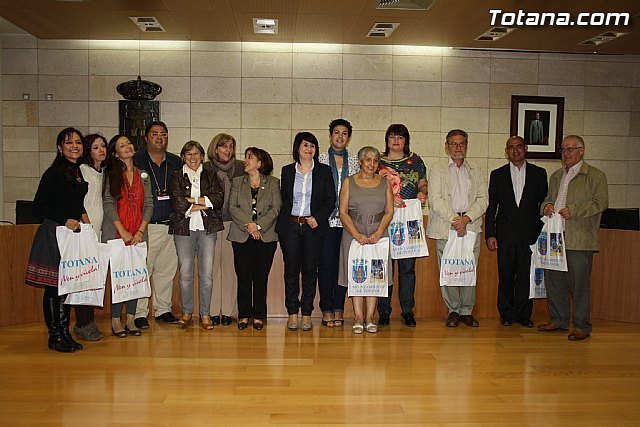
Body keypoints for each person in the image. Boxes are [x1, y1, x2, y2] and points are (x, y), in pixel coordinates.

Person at [25, 127, 89, 353]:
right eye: (69, 142)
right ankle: (55, 337)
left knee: (68, 286)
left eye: (78, 142)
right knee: (54, 288)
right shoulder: (54, 172)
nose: (75, 146)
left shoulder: (77, 171)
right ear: (60, 148)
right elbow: (39, 207)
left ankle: (65, 332)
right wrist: (65, 220)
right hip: (55, 233)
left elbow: (76, 203)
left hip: (71, 234)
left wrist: (85, 221)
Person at [538, 135, 608, 341]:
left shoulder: (595, 175)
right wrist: (546, 206)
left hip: (579, 238)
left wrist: (575, 210)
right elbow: (547, 199)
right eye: (563, 150)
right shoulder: (557, 176)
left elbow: (601, 202)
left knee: (579, 285)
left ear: (581, 151)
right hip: (554, 237)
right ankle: (559, 320)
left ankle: (581, 326)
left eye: (570, 149)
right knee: (554, 281)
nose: (566, 154)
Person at [427, 129, 488, 328]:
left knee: (470, 269)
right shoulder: (437, 169)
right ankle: (453, 310)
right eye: (453, 144)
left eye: (461, 143)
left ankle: (467, 311)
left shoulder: (477, 170)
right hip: (446, 226)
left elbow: (483, 199)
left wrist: (466, 219)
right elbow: (434, 199)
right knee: (449, 269)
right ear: (447, 146)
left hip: (471, 226)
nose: (458, 147)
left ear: (466, 146)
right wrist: (456, 220)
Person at [485, 136, 548, 327]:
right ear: (506, 151)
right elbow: (491, 207)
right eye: (511, 147)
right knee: (505, 276)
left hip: (530, 234)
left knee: (525, 276)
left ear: (525, 148)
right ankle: (506, 314)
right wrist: (490, 234)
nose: (515, 151)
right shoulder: (498, 174)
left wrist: (542, 235)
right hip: (505, 234)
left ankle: (523, 315)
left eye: (519, 147)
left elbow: (544, 204)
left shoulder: (539, 173)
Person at [276, 132, 335, 331]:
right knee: (291, 271)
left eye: (312, 146)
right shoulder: (286, 171)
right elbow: (284, 200)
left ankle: (307, 313)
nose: (309, 150)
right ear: (297, 148)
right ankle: (293, 313)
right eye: (305, 146)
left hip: (313, 228)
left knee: (310, 271)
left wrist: (317, 218)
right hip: (290, 226)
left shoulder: (323, 171)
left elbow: (330, 200)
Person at [168, 141, 224, 330]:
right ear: (183, 157)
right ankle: (186, 313)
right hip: (183, 229)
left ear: (202, 156)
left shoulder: (211, 175)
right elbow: (177, 203)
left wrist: (191, 201)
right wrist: (203, 202)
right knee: (185, 274)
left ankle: (205, 314)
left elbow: (218, 199)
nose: (193, 158)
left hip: (207, 229)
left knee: (206, 275)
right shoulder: (176, 176)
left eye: (197, 154)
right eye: (189, 154)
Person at [338, 147, 394, 334]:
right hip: (354, 232)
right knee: (358, 273)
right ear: (360, 161)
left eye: (375, 160)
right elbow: (343, 211)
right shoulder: (349, 182)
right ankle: (358, 317)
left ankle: (370, 317)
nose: (372, 164)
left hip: (378, 233)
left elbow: (389, 211)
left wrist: (379, 232)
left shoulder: (385, 183)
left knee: (375, 274)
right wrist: (356, 234)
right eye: (368, 160)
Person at [376, 124, 427, 327]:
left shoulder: (416, 161)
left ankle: (407, 311)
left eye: (400, 138)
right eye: (392, 137)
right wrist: (388, 197)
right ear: (387, 140)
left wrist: (423, 192)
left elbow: (422, 182)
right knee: (385, 267)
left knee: (408, 269)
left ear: (406, 140)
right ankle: (384, 311)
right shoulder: (377, 161)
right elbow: (369, 186)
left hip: (409, 219)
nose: (396, 141)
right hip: (384, 221)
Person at [103, 135, 154, 338]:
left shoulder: (144, 175)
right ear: (115, 153)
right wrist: (123, 231)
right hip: (117, 233)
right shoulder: (111, 174)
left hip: (138, 234)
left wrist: (140, 230)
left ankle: (131, 319)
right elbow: (108, 203)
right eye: (122, 145)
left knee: (134, 277)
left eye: (129, 143)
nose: (128, 147)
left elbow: (149, 204)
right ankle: (116, 320)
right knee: (119, 278)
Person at [133, 121, 182, 328]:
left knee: (166, 271)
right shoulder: (136, 160)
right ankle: (139, 313)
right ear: (146, 138)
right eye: (154, 134)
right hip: (147, 226)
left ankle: (163, 310)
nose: (159, 137)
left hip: (172, 225)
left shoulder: (175, 162)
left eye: (163, 134)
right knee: (143, 269)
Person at [228, 147, 281, 330]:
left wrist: (258, 226)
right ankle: (244, 315)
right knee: (243, 277)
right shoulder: (237, 182)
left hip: (265, 237)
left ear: (260, 163)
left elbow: (276, 208)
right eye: (246, 156)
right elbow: (233, 208)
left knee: (260, 277)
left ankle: (259, 315)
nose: (246, 160)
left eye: (250, 157)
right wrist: (250, 226)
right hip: (241, 235)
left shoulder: (273, 183)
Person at [317, 119, 360, 328]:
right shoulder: (321, 159)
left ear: (348, 137)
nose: (340, 137)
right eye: (336, 133)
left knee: (343, 267)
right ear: (330, 135)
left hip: (349, 223)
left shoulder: (355, 161)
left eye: (344, 133)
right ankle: (326, 309)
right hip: (325, 222)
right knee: (326, 266)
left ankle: (338, 309)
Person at [204, 133, 245, 326]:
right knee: (211, 269)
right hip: (210, 224)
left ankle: (228, 311)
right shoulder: (205, 168)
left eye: (231, 146)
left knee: (229, 269)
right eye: (223, 146)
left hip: (232, 223)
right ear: (215, 148)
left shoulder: (239, 168)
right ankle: (212, 311)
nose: (227, 150)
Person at [73, 133, 109, 341]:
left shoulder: (102, 172)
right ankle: (82, 322)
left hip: (98, 231)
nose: (101, 150)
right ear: (88, 151)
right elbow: (77, 201)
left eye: (103, 146)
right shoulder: (82, 171)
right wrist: (86, 225)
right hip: (83, 230)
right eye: (95, 147)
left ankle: (89, 320)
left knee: (92, 277)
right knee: (81, 277)